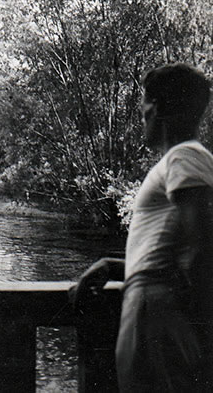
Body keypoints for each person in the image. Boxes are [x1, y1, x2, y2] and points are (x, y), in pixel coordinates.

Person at [70, 63, 213, 391]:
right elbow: (168, 252)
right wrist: (114, 266)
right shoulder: (182, 160)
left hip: (155, 310)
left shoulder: (185, 157)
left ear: (158, 108)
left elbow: (202, 247)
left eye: (143, 106)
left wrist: (180, 318)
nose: (141, 114)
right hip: (152, 303)